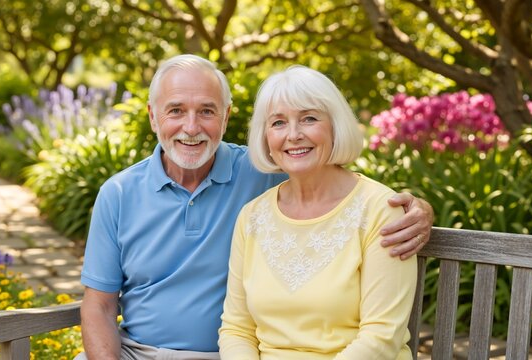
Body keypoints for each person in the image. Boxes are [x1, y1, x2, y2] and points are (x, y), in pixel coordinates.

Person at [78, 55, 432, 360]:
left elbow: (339, 184)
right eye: (175, 111)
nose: (191, 127)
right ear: (153, 118)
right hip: (135, 351)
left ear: (226, 117)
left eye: (206, 111)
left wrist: (418, 207)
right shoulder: (120, 193)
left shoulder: (261, 171)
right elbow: (99, 304)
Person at [218, 65, 417, 359]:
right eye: (278, 123)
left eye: (309, 119)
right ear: (265, 137)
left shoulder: (380, 211)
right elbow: (237, 329)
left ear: (335, 126)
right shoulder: (253, 217)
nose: (293, 134)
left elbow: (381, 337)